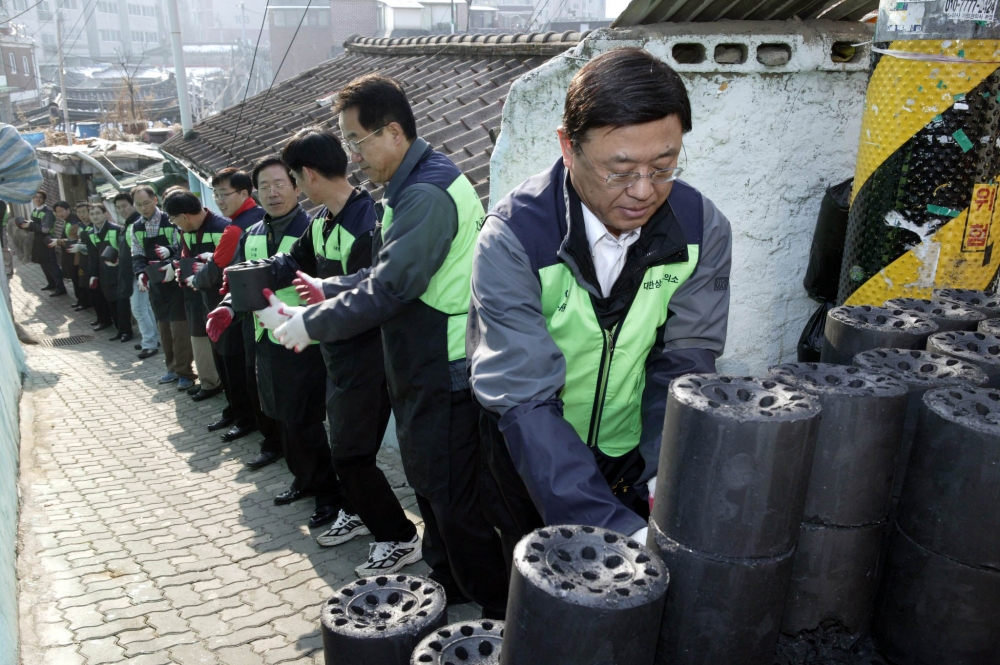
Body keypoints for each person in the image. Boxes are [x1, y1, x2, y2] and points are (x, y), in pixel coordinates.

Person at [467, 48, 733, 552]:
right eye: (620, 169)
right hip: (532, 454)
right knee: (534, 588)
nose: (642, 190)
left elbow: (685, 361)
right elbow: (524, 394)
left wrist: (663, 474)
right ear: (569, 147)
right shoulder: (515, 237)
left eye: (664, 165)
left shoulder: (701, 228)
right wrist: (610, 528)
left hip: (628, 452)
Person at [264, 75, 507, 617]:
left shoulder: (423, 193)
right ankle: (454, 585)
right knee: (432, 486)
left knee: (450, 498)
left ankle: (496, 613)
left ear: (392, 132)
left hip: (441, 367)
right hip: (421, 362)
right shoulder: (412, 183)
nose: (351, 157)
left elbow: (392, 287)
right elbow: (385, 271)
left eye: (356, 141)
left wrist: (310, 324)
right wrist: (329, 289)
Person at [260, 128, 421, 574]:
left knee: (350, 456)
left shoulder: (366, 222)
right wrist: (245, 283)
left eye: (290, 177)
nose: (289, 186)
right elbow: (290, 263)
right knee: (348, 450)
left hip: (367, 361)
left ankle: (398, 536)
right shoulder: (322, 222)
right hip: (337, 359)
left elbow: (370, 297)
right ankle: (359, 512)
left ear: (306, 175)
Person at [206, 156, 344, 530]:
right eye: (264, 186)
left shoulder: (310, 230)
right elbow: (237, 285)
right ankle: (305, 480)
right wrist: (227, 308)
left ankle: (330, 496)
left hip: (303, 339)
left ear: (297, 187)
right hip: (264, 339)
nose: (272, 192)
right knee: (281, 415)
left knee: (305, 420)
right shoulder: (251, 235)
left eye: (280, 183)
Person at [202, 167, 279, 457]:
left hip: (244, 313)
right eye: (216, 195)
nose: (219, 201)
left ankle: (250, 424)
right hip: (244, 309)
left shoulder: (238, 228)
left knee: (241, 372)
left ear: (245, 194)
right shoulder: (254, 222)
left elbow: (216, 269)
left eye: (225, 194)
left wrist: (191, 276)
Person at [161, 187, 225, 405]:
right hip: (194, 297)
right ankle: (209, 382)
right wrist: (178, 267)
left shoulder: (222, 228)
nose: (176, 225)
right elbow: (184, 257)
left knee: (224, 346)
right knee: (199, 340)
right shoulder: (185, 231)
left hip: (221, 298)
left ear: (184, 216)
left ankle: (222, 383)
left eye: (174, 221)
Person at [130, 185, 196, 390]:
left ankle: (185, 372)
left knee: (179, 329)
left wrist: (172, 259)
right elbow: (137, 254)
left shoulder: (172, 220)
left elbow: (184, 248)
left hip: (176, 282)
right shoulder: (137, 227)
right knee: (164, 330)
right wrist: (140, 273)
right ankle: (172, 369)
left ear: (155, 200)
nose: (143, 208)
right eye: (139, 204)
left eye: (146, 203)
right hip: (156, 285)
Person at [85, 202, 122, 336]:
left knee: (119, 301)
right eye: (92, 214)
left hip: (117, 270)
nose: (95, 216)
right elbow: (92, 257)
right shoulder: (89, 234)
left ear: (105, 214)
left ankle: (124, 330)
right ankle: (117, 328)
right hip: (103, 272)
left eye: (98, 213)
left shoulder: (116, 229)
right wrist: (93, 275)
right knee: (108, 299)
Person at [111, 192, 141, 344]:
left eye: (124, 206)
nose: (122, 210)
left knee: (139, 310)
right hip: (124, 271)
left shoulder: (138, 223)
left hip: (136, 274)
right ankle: (145, 339)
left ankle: (149, 341)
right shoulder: (126, 225)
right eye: (118, 208)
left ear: (133, 204)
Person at [20, 191, 64, 294]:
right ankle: (51, 283)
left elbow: (46, 229)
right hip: (38, 240)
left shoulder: (47, 212)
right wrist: (25, 226)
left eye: (40, 197)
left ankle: (60, 287)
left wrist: (30, 226)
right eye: (35, 197)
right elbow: (34, 227)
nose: (37, 199)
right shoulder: (34, 211)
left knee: (52, 264)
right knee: (43, 264)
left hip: (47, 240)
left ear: (44, 199)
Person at [72, 202, 93, 312]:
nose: (81, 215)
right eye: (79, 212)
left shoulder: (94, 226)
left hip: (93, 258)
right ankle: (85, 302)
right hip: (83, 258)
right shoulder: (80, 226)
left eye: (84, 212)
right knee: (83, 280)